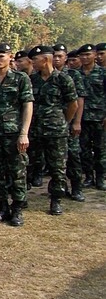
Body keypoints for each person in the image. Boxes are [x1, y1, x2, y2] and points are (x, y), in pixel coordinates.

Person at [0, 43, 34, 227]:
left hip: (13, 134)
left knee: (17, 172)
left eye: (1, 57)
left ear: (9, 57)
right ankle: (3, 207)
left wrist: (24, 133)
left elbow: (27, 105)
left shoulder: (21, 78)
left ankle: (17, 209)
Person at [29, 45, 78, 215]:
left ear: (45, 59)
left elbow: (73, 104)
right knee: (30, 163)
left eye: (35, 59)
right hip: (35, 129)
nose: (33, 63)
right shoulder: (32, 80)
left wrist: (64, 122)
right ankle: (22, 197)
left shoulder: (63, 79)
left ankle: (56, 199)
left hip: (56, 131)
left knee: (57, 167)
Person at [52, 43, 86, 201]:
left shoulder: (73, 75)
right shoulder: (40, 77)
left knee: (73, 156)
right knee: (55, 160)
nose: (57, 59)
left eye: (60, 56)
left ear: (66, 57)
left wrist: (75, 121)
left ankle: (77, 187)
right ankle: (60, 189)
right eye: (54, 56)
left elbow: (78, 100)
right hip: (50, 125)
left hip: (68, 122)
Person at [76, 44, 106, 190]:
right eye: (82, 55)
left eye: (88, 55)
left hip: (99, 117)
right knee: (84, 149)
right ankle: (88, 176)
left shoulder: (103, 73)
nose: (85, 57)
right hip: (81, 118)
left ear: (94, 55)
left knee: (101, 149)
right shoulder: (75, 74)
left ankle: (101, 177)